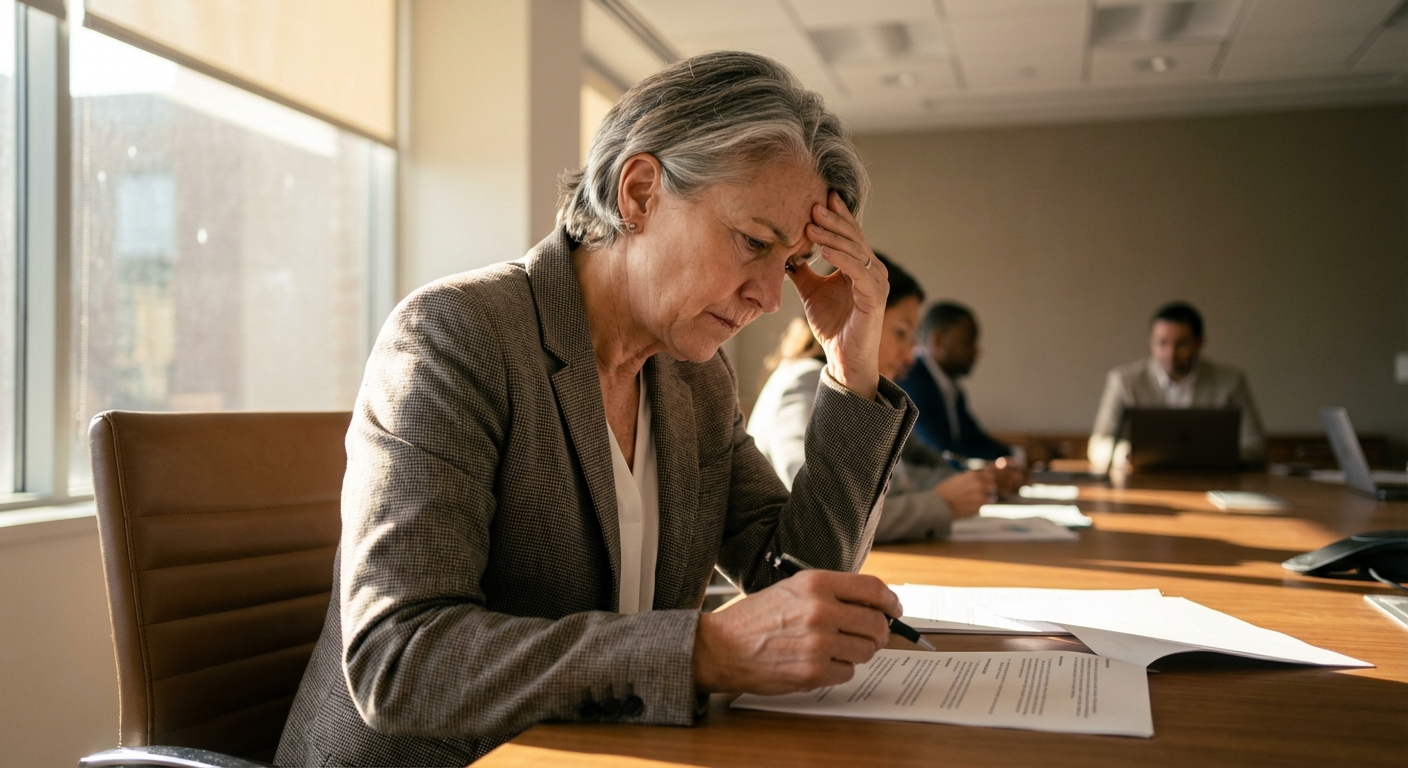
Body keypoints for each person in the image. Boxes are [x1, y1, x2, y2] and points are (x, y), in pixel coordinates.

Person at [276, 52, 918, 767]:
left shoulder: (694, 378)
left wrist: (851, 367)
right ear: (639, 192)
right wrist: (702, 651)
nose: (770, 299)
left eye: (792, 263)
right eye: (753, 243)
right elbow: (402, 659)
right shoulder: (455, 336)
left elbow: (796, 581)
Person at [749, 254, 995, 542]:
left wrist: (973, 484)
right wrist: (941, 505)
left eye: (913, 338)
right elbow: (822, 516)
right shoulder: (805, 383)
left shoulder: (866, 395)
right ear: (856, 317)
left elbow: (905, 476)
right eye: (901, 333)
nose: (909, 356)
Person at [1088, 301, 1266, 470]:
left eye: (1181, 344)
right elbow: (1098, 445)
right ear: (1151, 342)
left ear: (1199, 343)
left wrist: (1209, 456)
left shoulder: (1229, 382)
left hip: (1213, 480)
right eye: (1162, 342)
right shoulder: (1125, 381)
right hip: (1143, 482)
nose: (1170, 353)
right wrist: (1126, 454)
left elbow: (1255, 445)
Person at [899, 302, 1012, 462]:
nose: (976, 351)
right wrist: (1012, 456)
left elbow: (973, 438)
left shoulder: (952, 389)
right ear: (937, 340)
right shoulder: (911, 381)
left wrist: (1013, 454)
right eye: (968, 342)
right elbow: (939, 450)